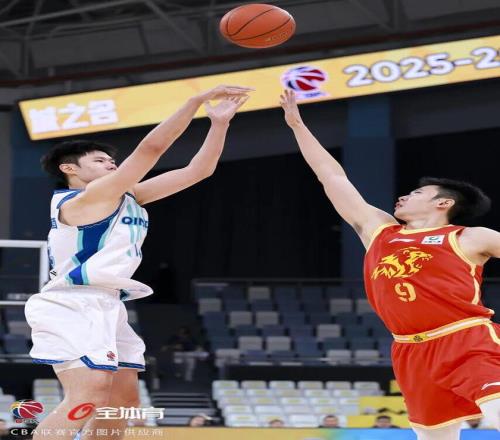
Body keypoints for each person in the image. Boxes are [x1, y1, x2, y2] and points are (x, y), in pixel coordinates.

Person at [25, 85, 252, 440]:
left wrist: (219, 124)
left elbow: (199, 170)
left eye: (111, 160)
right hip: (71, 301)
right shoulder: (82, 200)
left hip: (109, 302)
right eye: (99, 160)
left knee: (124, 403)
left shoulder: (129, 197)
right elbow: (151, 149)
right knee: (87, 395)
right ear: (69, 168)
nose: (111, 163)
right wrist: (194, 101)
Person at [280, 88, 500, 440]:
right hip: (409, 348)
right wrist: (297, 126)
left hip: (465, 338)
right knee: (433, 437)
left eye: (416, 193)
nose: (403, 196)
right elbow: (332, 177)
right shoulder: (379, 231)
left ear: (443, 203)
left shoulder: (470, 237)